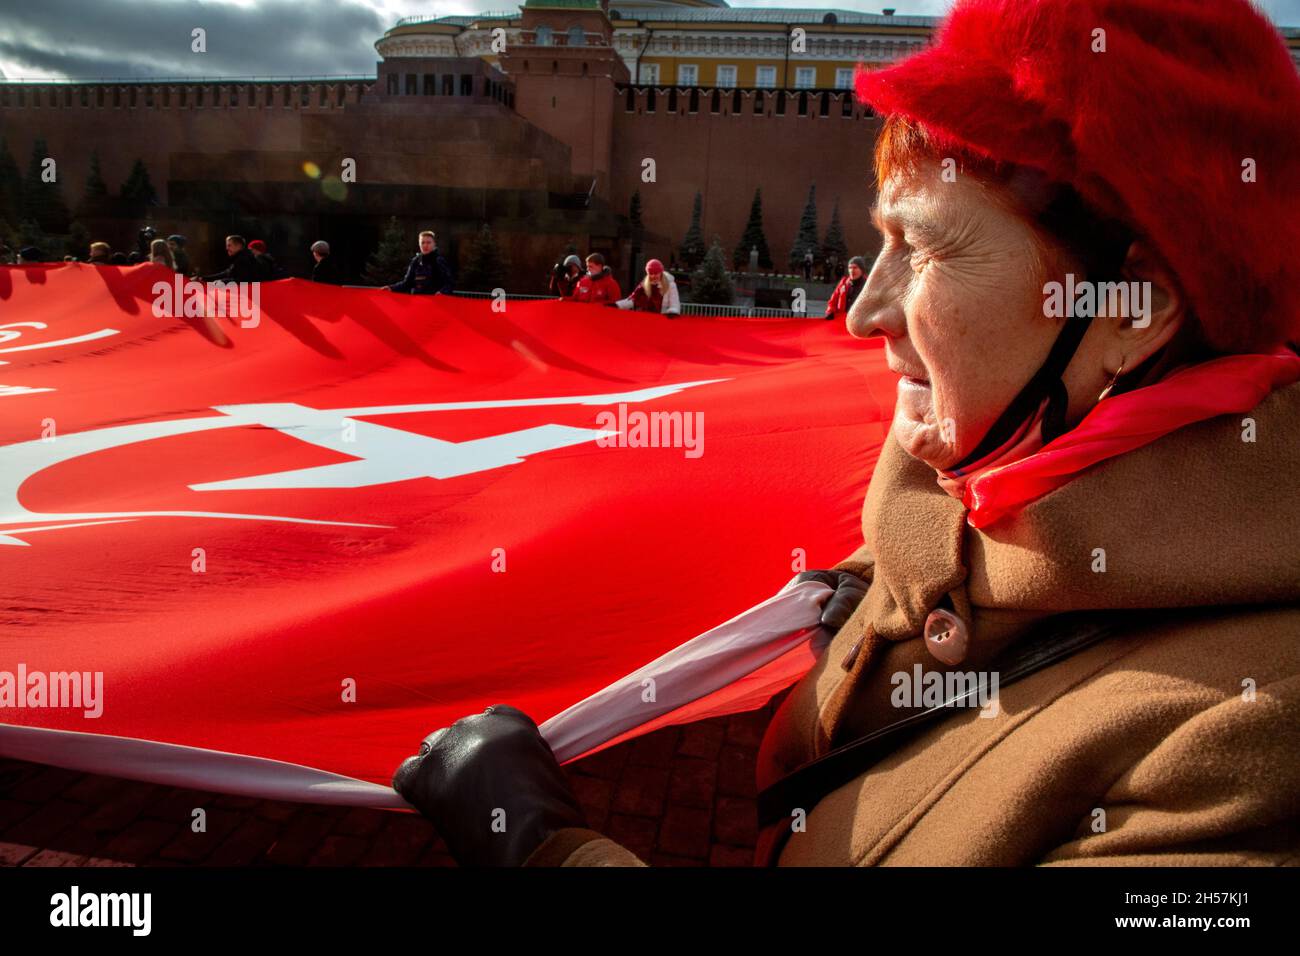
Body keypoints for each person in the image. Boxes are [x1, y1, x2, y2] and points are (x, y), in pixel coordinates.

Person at [391, 0, 1300, 867]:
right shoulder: (962, 498)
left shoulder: (1255, 740)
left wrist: (542, 848)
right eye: (881, 247)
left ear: (1133, 308)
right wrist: (875, 585)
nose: (864, 312)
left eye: (930, 249)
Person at [387, 230, 454, 295]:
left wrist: (442, 292)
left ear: (434, 244)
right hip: (418, 302)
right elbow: (407, 283)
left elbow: (449, 283)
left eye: (428, 242)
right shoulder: (415, 261)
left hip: (434, 303)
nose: (425, 245)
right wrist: (390, 288)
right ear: (419, 244)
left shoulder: (439, 260)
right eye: (422, 242)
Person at [611, 258, 680, 315]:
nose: (653, 276)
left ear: (661, 272)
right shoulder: (644, 285)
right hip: (645, 318)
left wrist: (672, 311)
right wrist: (617, 305)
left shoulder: (670, 285)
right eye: (651, 273)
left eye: (656, 273)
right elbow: (633, 300)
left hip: (662, 320)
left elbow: (674, 303)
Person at [823, 256, 868, 322]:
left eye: (855, 267)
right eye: (850, 268)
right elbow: (832, 302)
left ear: (862, 269)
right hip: (842, 321)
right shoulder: (844, 282)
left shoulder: (868, 284)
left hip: (860, 323)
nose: (852, 270)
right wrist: (830, 312)